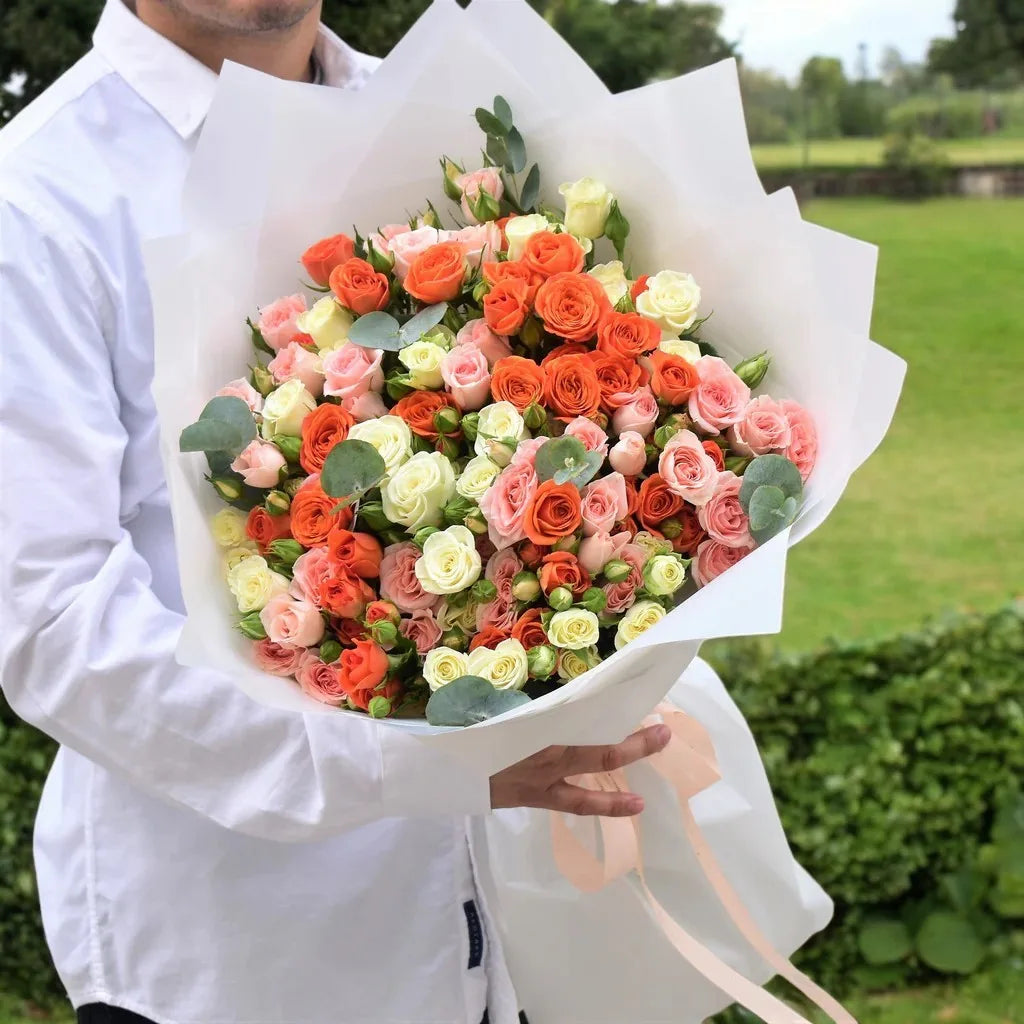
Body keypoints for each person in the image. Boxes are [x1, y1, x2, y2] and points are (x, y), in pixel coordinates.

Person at [0, 2, 672, 1022]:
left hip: (516, 933)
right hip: (243, 961)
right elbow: (53, 624)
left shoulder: (438, 126)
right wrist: (428, 760)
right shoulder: (38, 196)